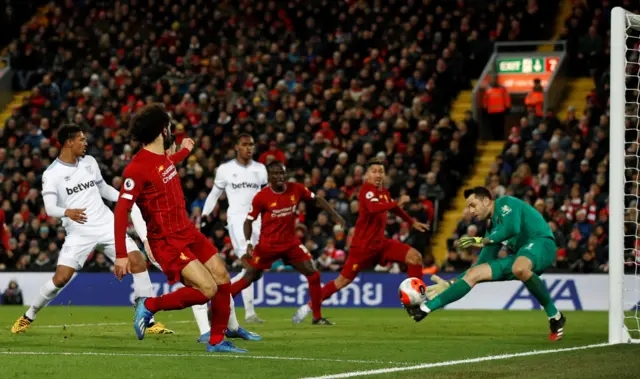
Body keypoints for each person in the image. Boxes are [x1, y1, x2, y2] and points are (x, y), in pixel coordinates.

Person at [11, 124, 172, 335]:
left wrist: (128, 198)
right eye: (81, 139)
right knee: (60, 279)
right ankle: (27, 316)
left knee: (138, 261)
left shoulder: (89, 162)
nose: (85, 143)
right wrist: (67, 212)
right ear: (69, 142)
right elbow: (50, 208)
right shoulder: (52, 174)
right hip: (79, 232)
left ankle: (148, 321)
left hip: (106, 224)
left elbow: (103, 188)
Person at [113, 104, 245, 353]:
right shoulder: (136, 167)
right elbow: (121, 210)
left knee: (222, 276)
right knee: (207, 289)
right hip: (167, 240)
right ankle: (150, 304)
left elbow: (167, 165)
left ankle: (217, 341)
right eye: (170, 127)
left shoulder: (162, 159)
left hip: (186, 230)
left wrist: (184, 151)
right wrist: (121, 254)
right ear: (163, 131)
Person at [405, 186, 566, 341]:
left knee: (519, 267)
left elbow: (512, 228)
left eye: (473, 205)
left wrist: (479, 240)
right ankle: (425, 309)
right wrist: (450, 283)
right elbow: (480, 264)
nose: (471, 211)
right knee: (475, 274)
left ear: (487, 201)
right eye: (468, 207)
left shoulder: (506, 203)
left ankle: (552, 314)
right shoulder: (493, 229)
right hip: (522, 256)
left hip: (542, 244)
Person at [292, 158, 429, 323]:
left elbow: (396, 209)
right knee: (342, 281)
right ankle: (309, 306)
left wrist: (411, 222)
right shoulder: (366, 190)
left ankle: (415, 302)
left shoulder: (384, 192)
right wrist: (396, 202)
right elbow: (373, 208)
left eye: (381, 171)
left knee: (415, 257)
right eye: (374, 171)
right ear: (367, 175)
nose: (378, 175)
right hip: (362, 248)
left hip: (381, 244)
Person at [231, 160, 346, 325]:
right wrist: (249, 242)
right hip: (268, 246)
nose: (279, 176)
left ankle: (317, 317)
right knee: (250, 276)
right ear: (269, 177)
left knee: (314, 275)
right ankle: (221, 303)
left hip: (291, 244)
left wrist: (334, 214)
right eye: (275, 173)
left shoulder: (296, 189)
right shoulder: (261, 197)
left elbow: (317, 199)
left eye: (282, 173)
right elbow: (248, 221)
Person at [202, 133, 267, 326]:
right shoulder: (225, 169)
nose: (249, 148)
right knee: (249, 264)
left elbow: (265, 196)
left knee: (256, 268)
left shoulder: (260, 169)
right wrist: (205, 215)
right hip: (238, 221)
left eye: (252, 145)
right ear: (237, 147)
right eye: (245, 144)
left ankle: (221, 296)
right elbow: (215, 194)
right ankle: (248, 312)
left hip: (257, 221)